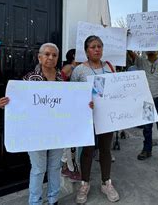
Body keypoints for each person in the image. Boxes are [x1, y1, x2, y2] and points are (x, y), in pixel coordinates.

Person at [0, 43, 69, 205]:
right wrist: (6, 104)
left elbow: (70, 102)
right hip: (35, 132)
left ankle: (53, 199)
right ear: (39, 57)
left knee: (55, 167)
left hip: (57, 130)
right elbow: (19, 103)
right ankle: (35, 201)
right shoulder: (29, 78)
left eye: (54, 55)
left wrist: (86, 106)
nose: (50, 57)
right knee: (38, 169)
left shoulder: (62, 78)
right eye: (47, 54)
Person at [70, 35, 120, 204]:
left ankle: (107, 183)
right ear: (86, 51)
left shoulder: (109, 67)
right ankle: (85, 184)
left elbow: (117, 90)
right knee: (88, 151)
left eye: (99, 46)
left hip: (106, 117)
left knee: (105, 150)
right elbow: (72, 94)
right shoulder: (79, 70)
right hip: (87, 118)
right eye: (93, 47)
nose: (97, 49)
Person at [128, 51, 158, 164]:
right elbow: (132, 55)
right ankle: (147, 150)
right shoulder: (141, 61)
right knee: (147, 128)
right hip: (147, 101)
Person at [60, 49, 82, 182]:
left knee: (70, 139)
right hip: (69, 107)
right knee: (70, 140)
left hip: (72, 106)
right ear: (74, 56)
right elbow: (60, 83)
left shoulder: (76, 67)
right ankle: (69, 168)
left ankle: (66, 166)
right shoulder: (70, 67)